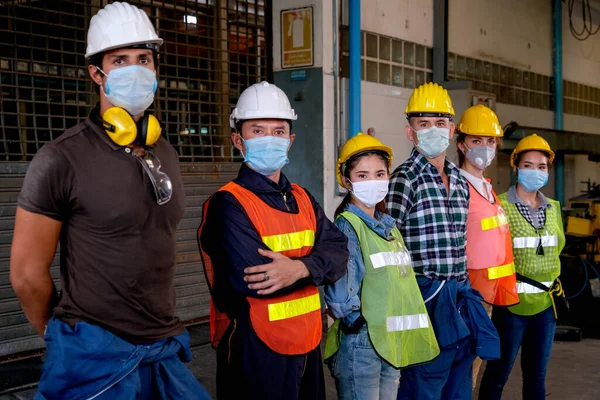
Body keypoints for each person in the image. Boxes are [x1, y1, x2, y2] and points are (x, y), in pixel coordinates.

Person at [9, 2, 209, 399]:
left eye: (144, 59)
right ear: (96, 73)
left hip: (162, 346)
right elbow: (26, 274)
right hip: (95, 355)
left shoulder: (164, 151)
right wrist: (62, 335)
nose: (136, 69)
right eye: (120, 60)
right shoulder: (61, 158)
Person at [198, 81, 349, 400]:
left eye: (278, 131)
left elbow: (340, 251)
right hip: (253, 348)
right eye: (258, 130)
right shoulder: (228, 205)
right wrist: (315, 268)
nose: (270, 139)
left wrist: (300, 269)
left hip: (308, 344)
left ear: (290, 140)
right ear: (238, 140)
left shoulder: (303, 198)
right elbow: (258, 278)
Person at [387, 82, 500, 400]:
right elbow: (390, 247)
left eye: (439, 123)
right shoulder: (404, 180)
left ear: (451, 130)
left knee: (460, 388)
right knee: (423, 387)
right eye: (423, 124)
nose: (433, 130)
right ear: (411, 132)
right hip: (425, 302)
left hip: (459, 302)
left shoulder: (460, 182)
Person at [323, 133, 439, 400]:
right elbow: (341, 297)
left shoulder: (389, 227)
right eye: (363, 176)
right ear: (346, 180)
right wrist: (362, 326)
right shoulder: (347, 226)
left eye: (379, 173)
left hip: (389, 341)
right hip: (363, 343)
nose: (373, 181)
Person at [479, 134, 565, 400]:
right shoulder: (500, 206)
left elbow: (558, 248)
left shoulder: (554, 208)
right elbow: (490, 255)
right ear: (516, 168)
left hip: (545, 306)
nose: (535, 172)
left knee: (537, 375)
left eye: (542, 167)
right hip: (511, 305)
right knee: (498, 373)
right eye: (528, 165)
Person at [455, 105, 519, 388]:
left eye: (490, 141)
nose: (484, 147)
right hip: (468, 294)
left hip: (489, 294)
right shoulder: (458, 187)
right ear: (461, 144)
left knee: (475, 365)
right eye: (476, 141)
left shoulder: (487, 187)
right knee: (462, 367)